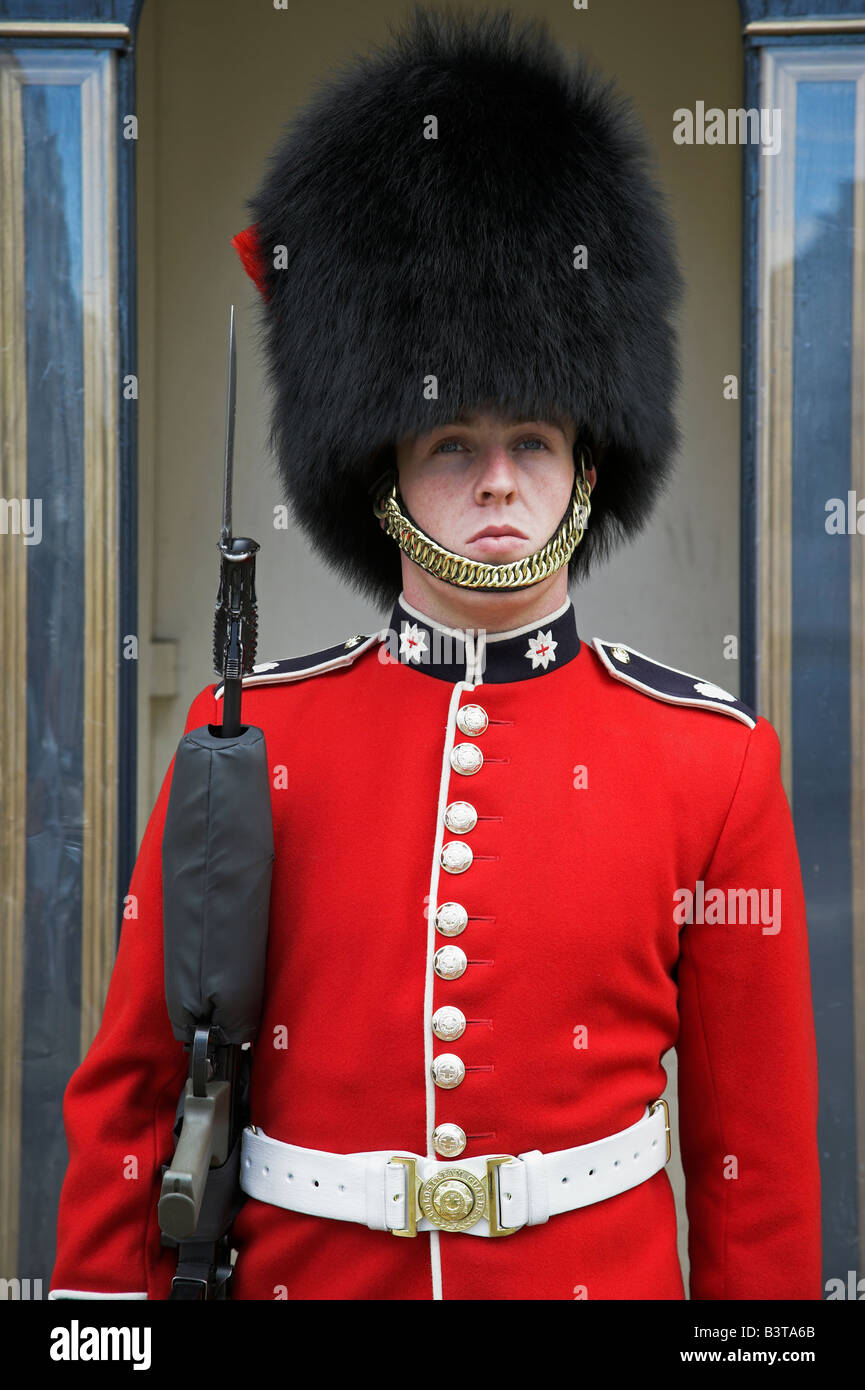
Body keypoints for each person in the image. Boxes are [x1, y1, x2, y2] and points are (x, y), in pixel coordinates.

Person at [49, 5, 821, 1301]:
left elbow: (754, 1164)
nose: (498, 482)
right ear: (382, 472)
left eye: (533, 441)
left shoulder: (714, 762)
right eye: (449, 444)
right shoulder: (248, 743)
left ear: (587, 463)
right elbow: (135, 1097)